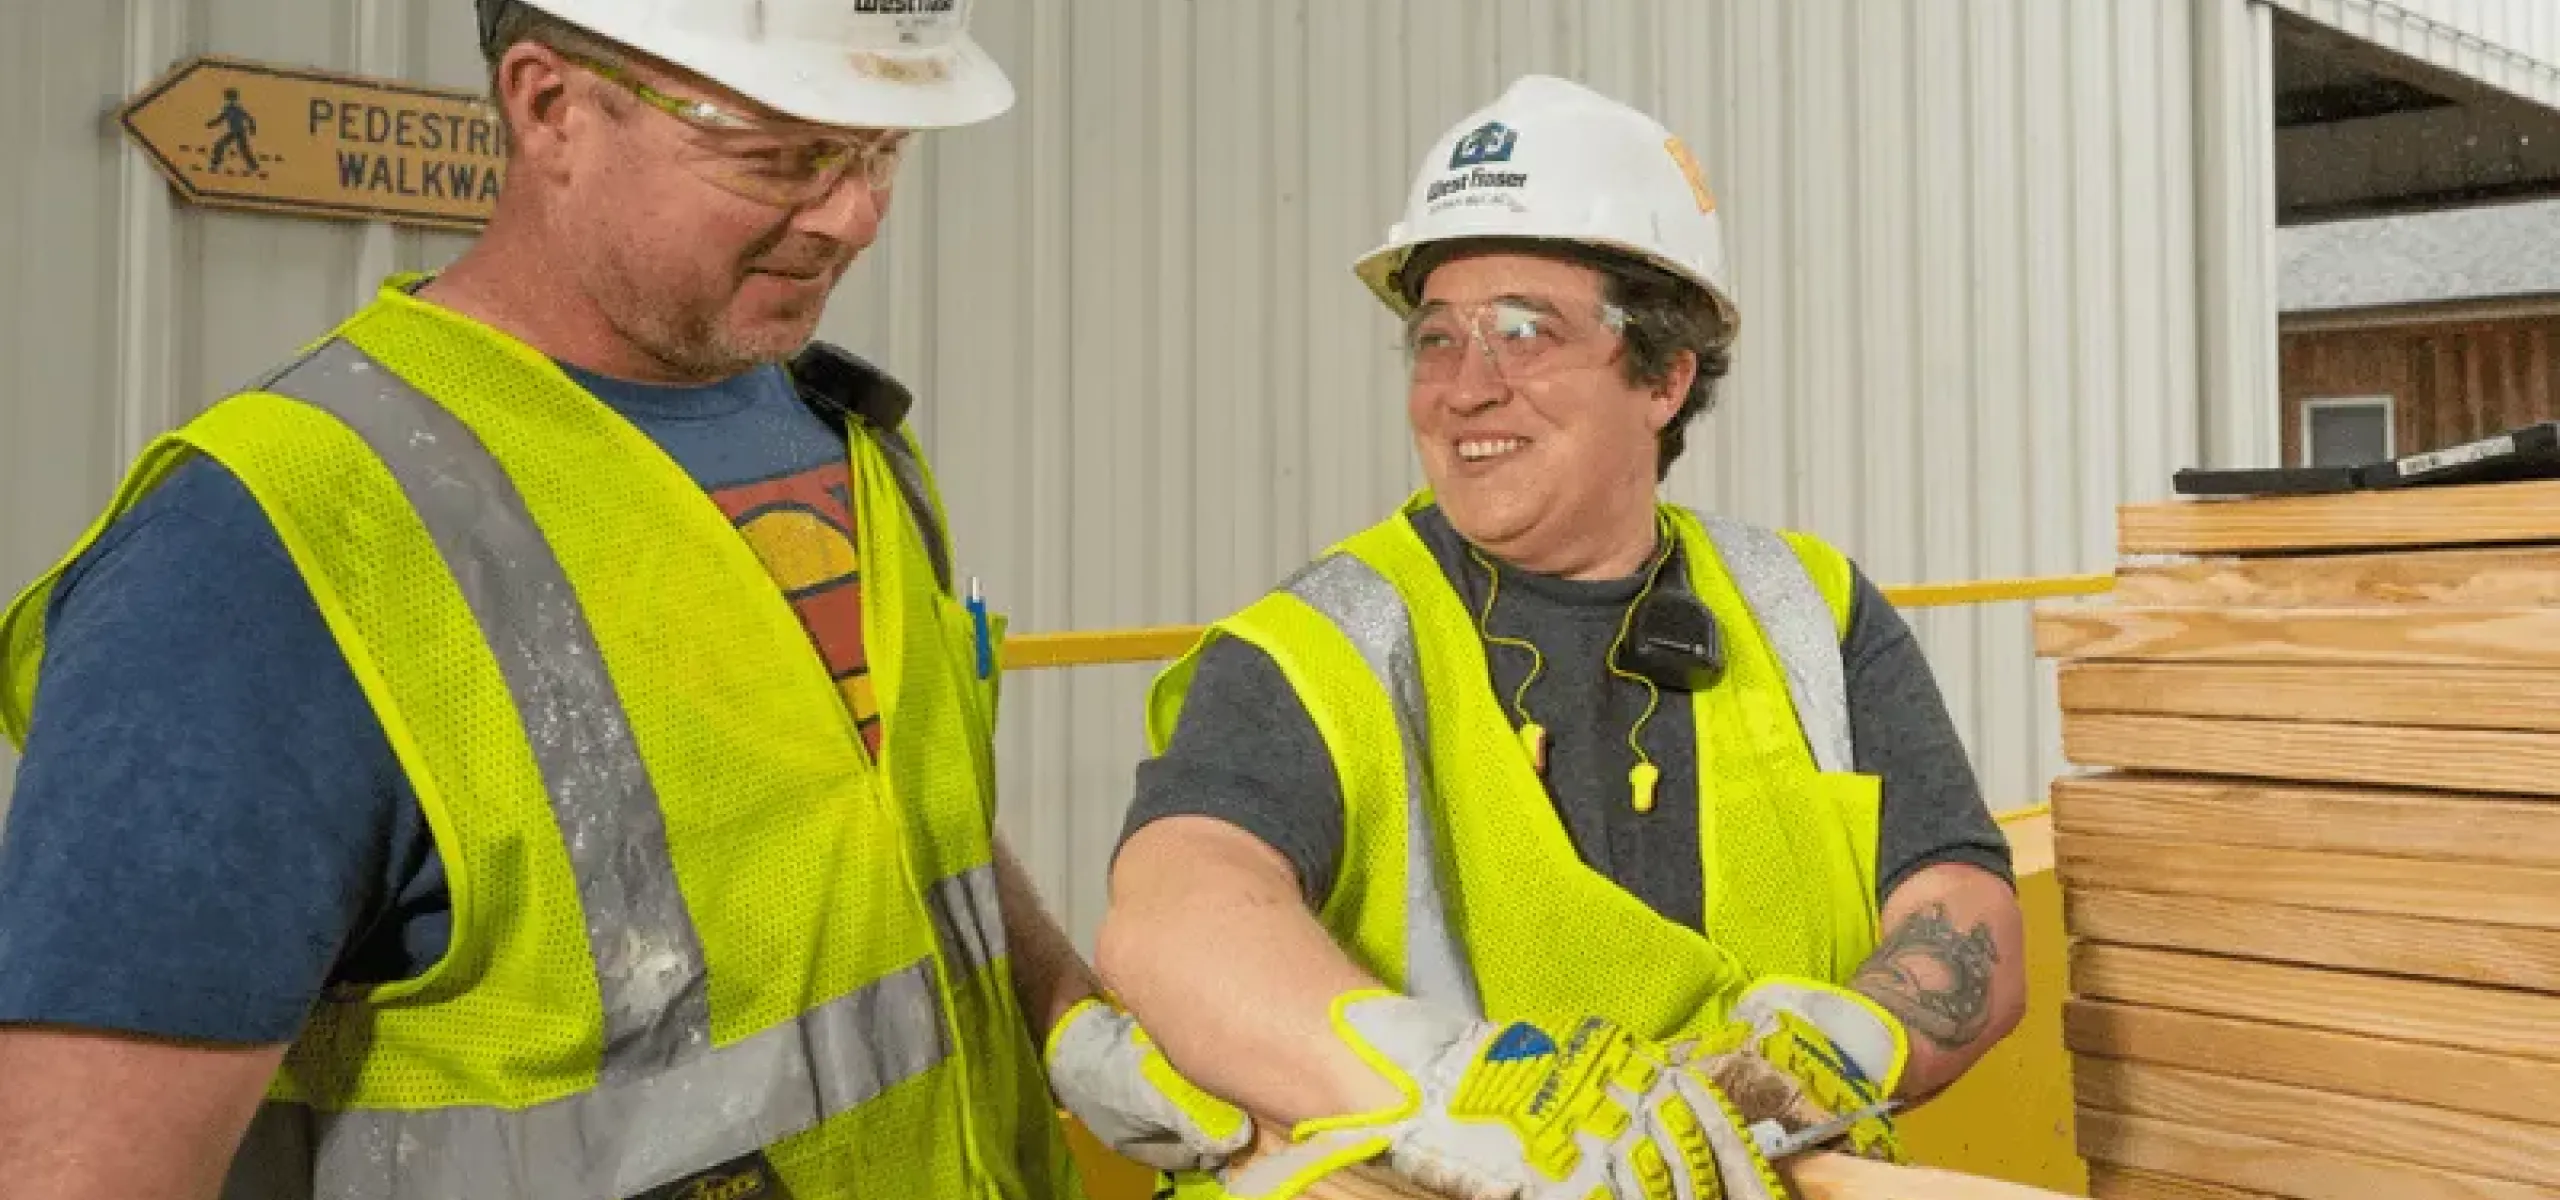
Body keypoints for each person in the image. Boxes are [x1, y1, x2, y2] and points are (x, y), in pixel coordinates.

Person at [0, 2, 1246, 1197]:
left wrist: (1067, 1013)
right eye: (781, 156)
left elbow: (908, 829)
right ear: (548, 107)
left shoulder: (841, 438)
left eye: (883, 151)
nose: (855, 216)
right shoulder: (264, 555)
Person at [1096, 74, 2028, 1200]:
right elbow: (1176, 915)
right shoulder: (1322, 643)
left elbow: (1962, 905)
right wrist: (1459, 1094)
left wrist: (1825, 1056)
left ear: (1665, 375)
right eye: (1436, 340)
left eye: (1523, 334)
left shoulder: (1806, 607)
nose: (1464, 390)